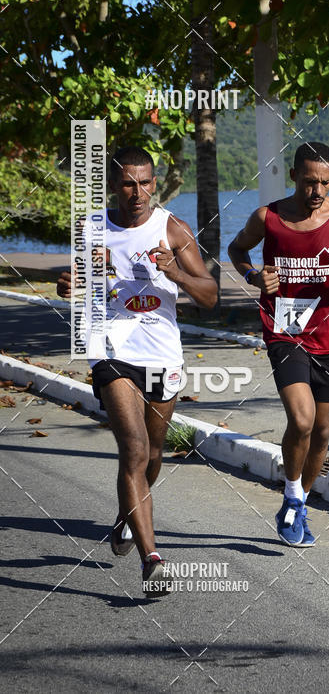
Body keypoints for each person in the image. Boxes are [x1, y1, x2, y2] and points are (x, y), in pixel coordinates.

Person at [57, 146, 217, 596]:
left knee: (154, 454)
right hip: (110, 349)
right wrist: (69, 283)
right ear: (113, 185)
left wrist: (176, 273)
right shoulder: (92, 227)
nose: (138, 192)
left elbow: (209, 296)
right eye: (128, 183)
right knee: (134, 448)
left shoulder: (172, 228)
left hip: (162, 353)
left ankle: (128, 513)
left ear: (156, 183)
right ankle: (153, 559)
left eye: (146, 183)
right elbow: (76, 281)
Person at [228, 141, 329, 547]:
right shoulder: (268, 217)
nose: (318, 192)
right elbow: (236, 249)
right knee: (304, 419)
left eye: (326, 182)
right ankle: (292, 496)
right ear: (293, 176)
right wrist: (254, 275)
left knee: (323, 432)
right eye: (310, 182)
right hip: (284, 332)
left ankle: (299, 503)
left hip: (327, 335)